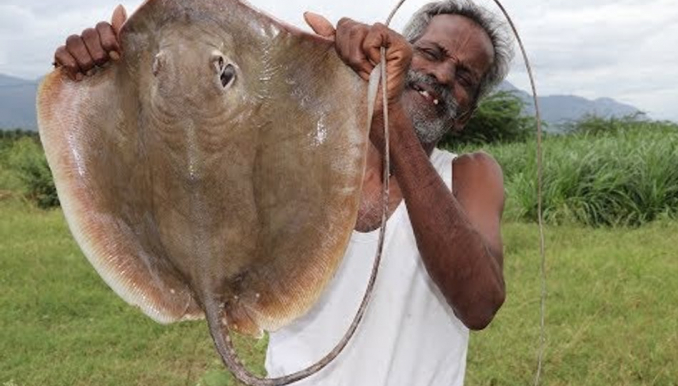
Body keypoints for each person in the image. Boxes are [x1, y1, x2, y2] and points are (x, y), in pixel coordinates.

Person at [53, 0, 512, 384]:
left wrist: (388, 120)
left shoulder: (471, 175)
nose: (443, 75)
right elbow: (190, 147)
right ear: (399, 52)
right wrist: (97, 82)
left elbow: (480, 303)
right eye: (431, 52)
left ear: (465, 115)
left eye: (466, 77)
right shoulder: (306, 145)